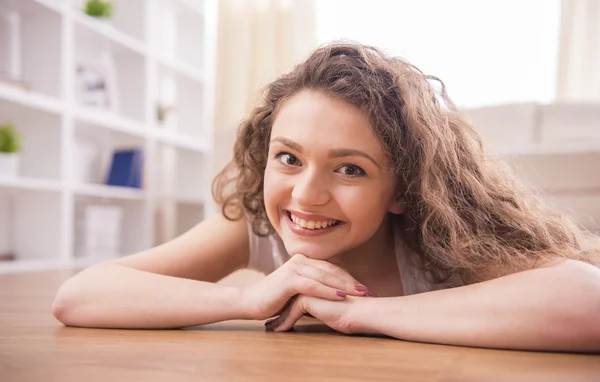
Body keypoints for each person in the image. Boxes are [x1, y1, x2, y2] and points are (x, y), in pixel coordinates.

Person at [53, 42, 600, 352]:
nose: (307, 196)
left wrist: (364, 314)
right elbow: (80, 296)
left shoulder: (444, 241)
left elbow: (589, 301)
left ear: (403, 190)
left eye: (349, 169)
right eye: (288, 158)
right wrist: (248, 300)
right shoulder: (255, 227)